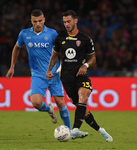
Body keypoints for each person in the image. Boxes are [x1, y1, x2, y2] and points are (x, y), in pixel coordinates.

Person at [46, 10, 113, 142]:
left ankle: (75, 129)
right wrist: (49, 70)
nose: (66, 24)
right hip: (66, 78)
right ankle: (101, 130)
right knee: (83, 110)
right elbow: (54, 56)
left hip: (81, 76)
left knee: (83, 97)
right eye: (64, 22)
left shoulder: (85, 39)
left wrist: (85, 66)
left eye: (69, 21)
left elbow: (93, 58)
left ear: (75, 20)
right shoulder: (60, 39)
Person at [5, 9, 71, 130]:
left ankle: (70, 131)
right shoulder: (24, 34)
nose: (38, 24)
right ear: (31, 21)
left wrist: (61, 66)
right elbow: (17, 48)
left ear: (44, 20)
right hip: (38, 75)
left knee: (60, 102)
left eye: (40, 21)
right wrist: (12, 66)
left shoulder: (52, 33)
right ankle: (49, 109)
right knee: (36, 103)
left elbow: (62, 50)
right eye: (35, 21)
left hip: (53, 73)